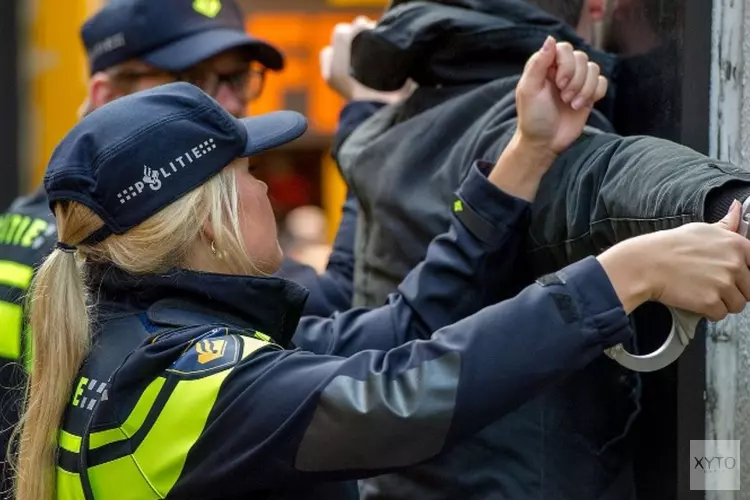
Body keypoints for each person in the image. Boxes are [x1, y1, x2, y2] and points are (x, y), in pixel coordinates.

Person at [13, 41, 750, 500]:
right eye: (250, 171)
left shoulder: (147, 335)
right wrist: (621, 276)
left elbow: (400, 329)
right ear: (210, 218)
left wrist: (524, 156)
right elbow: (403, 399)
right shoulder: (187, 382)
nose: (269, 187)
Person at [337, 1, 750, 499]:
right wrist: (732, 206)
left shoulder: (388, 130)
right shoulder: (502, 120)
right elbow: (601, 177)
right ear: (597, 5)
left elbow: (399, 323)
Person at [0, 2, 392, 495]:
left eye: (239, 77)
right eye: (194, 80)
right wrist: (369, 122)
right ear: (107, 94)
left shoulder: (46, 228)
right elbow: (341, 313)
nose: (229, 102)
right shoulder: (97, 254)